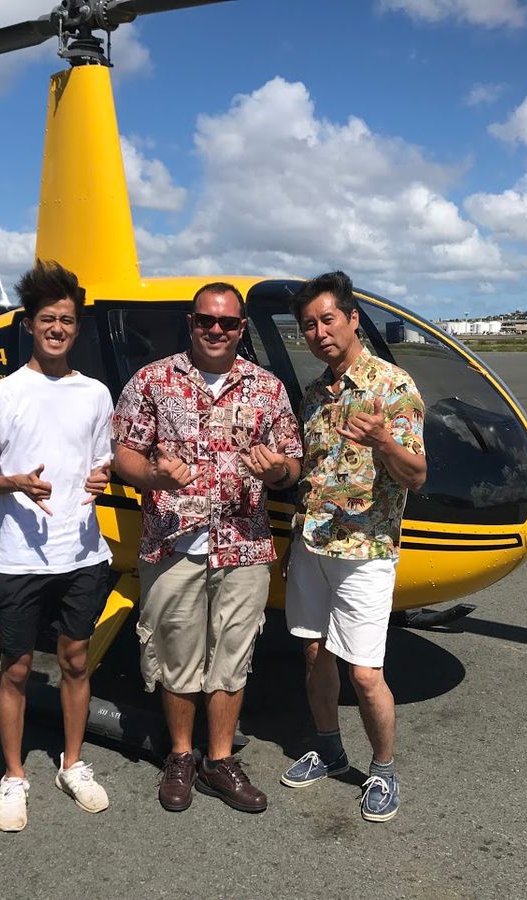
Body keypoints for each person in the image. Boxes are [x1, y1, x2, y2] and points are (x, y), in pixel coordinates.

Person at [112, 282, 302, 814]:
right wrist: (152, 475)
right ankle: (180, 755)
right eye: (206, 320)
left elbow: (292, 461)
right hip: (173, 543)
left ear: (241, 328)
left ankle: (218, 761)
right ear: (190, 323)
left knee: (232, 655)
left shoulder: (267, 388)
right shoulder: (152, 380)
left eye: (227, 322)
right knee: (177, 653)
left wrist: (279, 471)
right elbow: (124, 452)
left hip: (244, 545)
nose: (216, 330)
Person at [0, 260, 114, 833]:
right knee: (17, 668)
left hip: (82, 552)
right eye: (47, 318)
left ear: (77, 328)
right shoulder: (0, 394)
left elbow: (102, 463)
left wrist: (102, 478)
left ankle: (72, 765)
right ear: (29, 324)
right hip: (21, 556)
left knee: (75, 661)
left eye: (66, 320)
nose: (57, 328)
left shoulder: (95, 393)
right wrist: (16, 482)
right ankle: (14, 775)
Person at [279, 270, 427, 823]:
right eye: (308, 325)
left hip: (365, 552)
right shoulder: (315, 394)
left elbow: (415, 476)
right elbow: (309, 472)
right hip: (312, 545)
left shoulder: (393, 386)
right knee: (314, 654)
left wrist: (384, 440)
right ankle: (329, 749)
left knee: (365, 674)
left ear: (352, 319)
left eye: (328, 320)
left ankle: (383, 769)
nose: (319, 333)